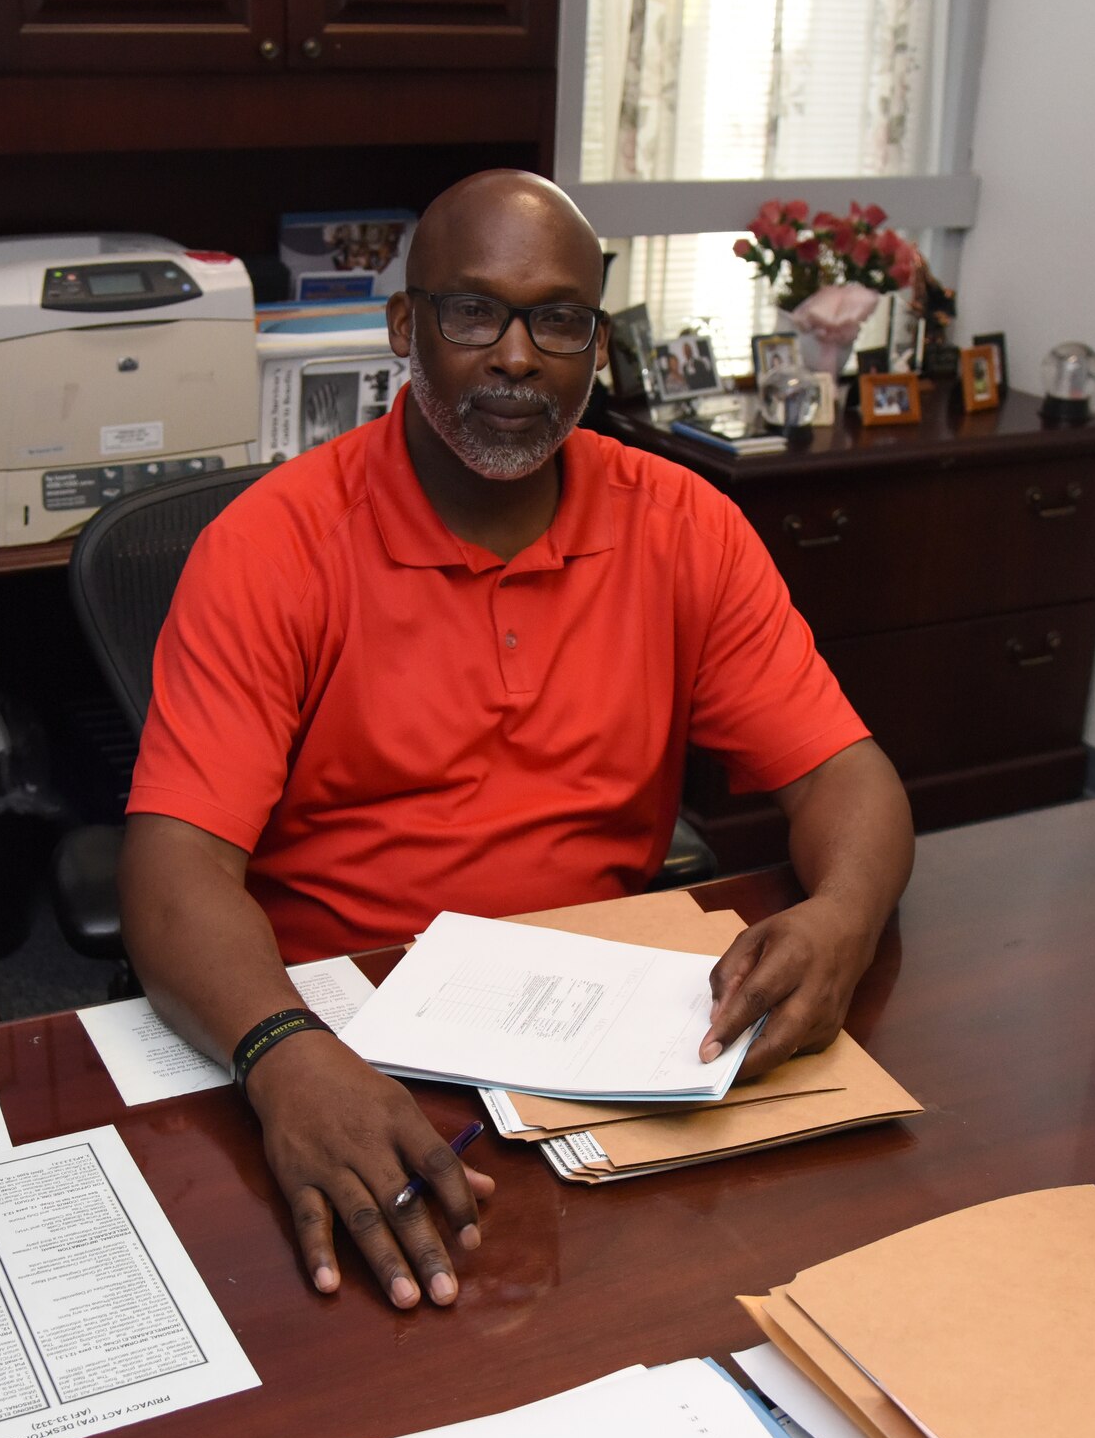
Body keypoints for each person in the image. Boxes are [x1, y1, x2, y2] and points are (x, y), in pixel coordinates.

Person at [120, 170, 914, 1313]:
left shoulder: (684, 525)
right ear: (405, 327)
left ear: (595, 344)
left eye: (555, 320)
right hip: (337, 1029)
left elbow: (849, 775)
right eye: (470, 312)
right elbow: (168, 874)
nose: (513, 357)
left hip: (601, 1035)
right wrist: (282, 1050)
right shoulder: (273, 548)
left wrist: (840, 920)